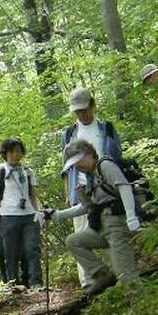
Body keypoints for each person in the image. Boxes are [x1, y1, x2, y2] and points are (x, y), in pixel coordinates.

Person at [45, 140, 142, 295]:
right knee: (74, 241)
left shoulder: (105, 166)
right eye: (74, 165)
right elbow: (86, 207)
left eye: (78, 161)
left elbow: (123, 187)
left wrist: (131, 217)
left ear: (89, 154)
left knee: (126, 276)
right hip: (102, 228)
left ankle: (142, 306)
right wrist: (57, 215)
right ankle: (103, 274)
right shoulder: (88, 177)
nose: (77, 167)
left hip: (118, 226)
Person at [0, 138, 45, 289]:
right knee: (10, 252)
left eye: (18, 151)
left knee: (32, 249)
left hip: (29, 215)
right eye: (11, 151)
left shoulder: (28, 172)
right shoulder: (0, 171)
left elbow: (33, 195)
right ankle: (13, 284)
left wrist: (40, 212)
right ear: (5, 154)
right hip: (7, 215)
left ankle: (35, 282)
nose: (15, 155)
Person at [60, 88, 122, 233]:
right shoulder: (69, 134)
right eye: (77, 111)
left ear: (92, 105)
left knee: (110, 233)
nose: (82, 114)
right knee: (82, 236)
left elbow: (118, 158)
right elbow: (66, 168)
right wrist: (69, 195)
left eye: (84, 109)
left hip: (106, 189)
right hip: (81, 191)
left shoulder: (107, 129)